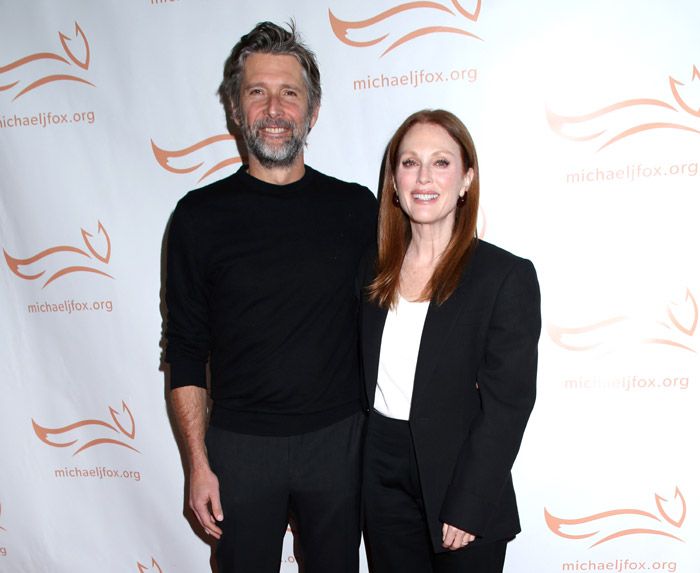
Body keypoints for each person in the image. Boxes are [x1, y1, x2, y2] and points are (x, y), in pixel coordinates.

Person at [164, 21, 376, 573]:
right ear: (237, 110)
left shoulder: (358, 210)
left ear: (313, 109)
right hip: (239, 448)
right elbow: (186, 349)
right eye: (257, 92)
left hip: (339, 444)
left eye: (290, 92)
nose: (274, 107)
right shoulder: (198, 217)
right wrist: (197, 464)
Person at [360, 109, 540, 572]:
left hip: (461, 472)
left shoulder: (504, 277)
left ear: (466, 180)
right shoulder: (370, 272)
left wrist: (470, 502)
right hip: (381, 475)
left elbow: (508, 405)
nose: (423, 177)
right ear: (394, 182)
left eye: (441, 162)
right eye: (409, 163)